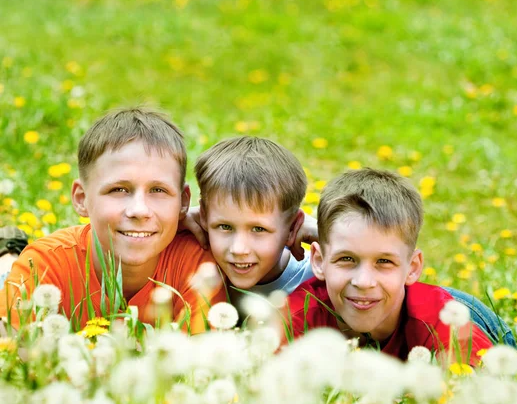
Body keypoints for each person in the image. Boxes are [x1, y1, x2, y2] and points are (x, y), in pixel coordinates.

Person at [0, 108, 226, 332]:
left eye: (158, 190)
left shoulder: (198, 267)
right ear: (81, 199)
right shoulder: (44, 265)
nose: (139, 210)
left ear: (183, 202)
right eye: (119, 189)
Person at [287, 168, 515, 365]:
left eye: (384, 261)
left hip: (459, 312)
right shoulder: (296, 316)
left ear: (413, 267)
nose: (363, 281)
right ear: (318, 260)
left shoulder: (444, 323)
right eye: (346, 259)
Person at [195, 136, 316, 305]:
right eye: (224, 226)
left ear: (292, 227)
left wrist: (324, 232)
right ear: (204, 216)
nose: (239, 249)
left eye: (258, 229)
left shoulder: (318, 275)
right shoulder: (195, 267)